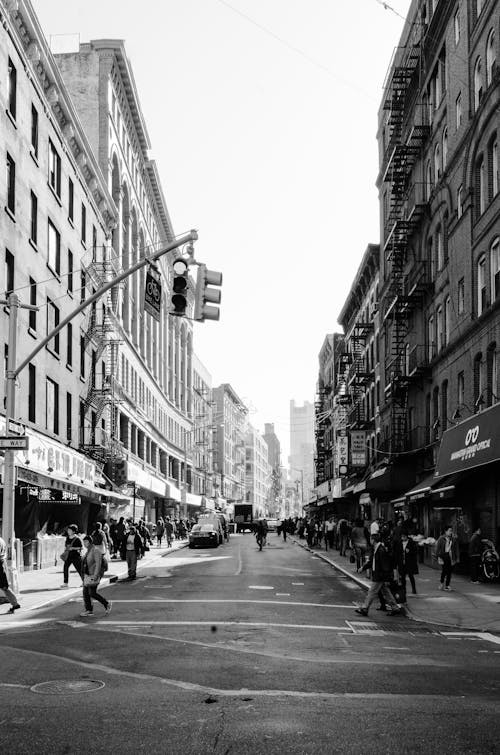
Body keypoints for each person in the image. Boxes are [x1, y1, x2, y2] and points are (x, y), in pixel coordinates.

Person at [355, 534, 400, 616]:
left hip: (379, 575)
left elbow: (385, 565)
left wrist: (386, 577)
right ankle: (395, 608)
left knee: (372, 592)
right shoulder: (376, 549)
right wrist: (363, 568)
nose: (370, 541)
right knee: (386, 592)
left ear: (373, 540)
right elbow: (372, 561)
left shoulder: (380, 550)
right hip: (379, 575)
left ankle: (365, 608)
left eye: (370, 539)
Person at [80, 534, 111, 617]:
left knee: (92, 593)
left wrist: (96, 575)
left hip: (94, 574)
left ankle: (106, 604)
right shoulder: (88, 551)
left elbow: (98, 564)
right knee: (86, 592)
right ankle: (89, 610)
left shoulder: (95, 550)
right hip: (88, 575)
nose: (84, 544)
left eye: (86, 542)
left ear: (90, 542)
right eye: (84, 542)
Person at [0, 535, 20, 614]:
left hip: (0, 564)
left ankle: (15, 604)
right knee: (4, 586)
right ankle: (15, 604)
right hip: (2, 564)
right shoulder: (2, 540)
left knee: (4, 586)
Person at [436, 525, 459, 590]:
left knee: (449, 572)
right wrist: (438, 556)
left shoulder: (453, 539)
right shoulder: (441, 538)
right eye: (449, 531)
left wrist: (457, 558)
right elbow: (438, 548)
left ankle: (447, 585)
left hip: (451, 556)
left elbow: (456, 548)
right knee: (444, 571)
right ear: (445, 531)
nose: (451, 532)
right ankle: (441, 583)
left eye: (451, 531)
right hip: (444, 556)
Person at [61, 524, 83, 588]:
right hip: (69, 556)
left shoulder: (77, 539)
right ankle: (65, 583)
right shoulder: (67, 538)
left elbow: (81, 548)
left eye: (70, 530)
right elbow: (66, 545)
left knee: (79, 569)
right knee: (65, 568)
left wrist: (73, 548)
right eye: (68, 530)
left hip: (76, 556)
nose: (68, 531)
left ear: (73, 531)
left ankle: (85, 582)